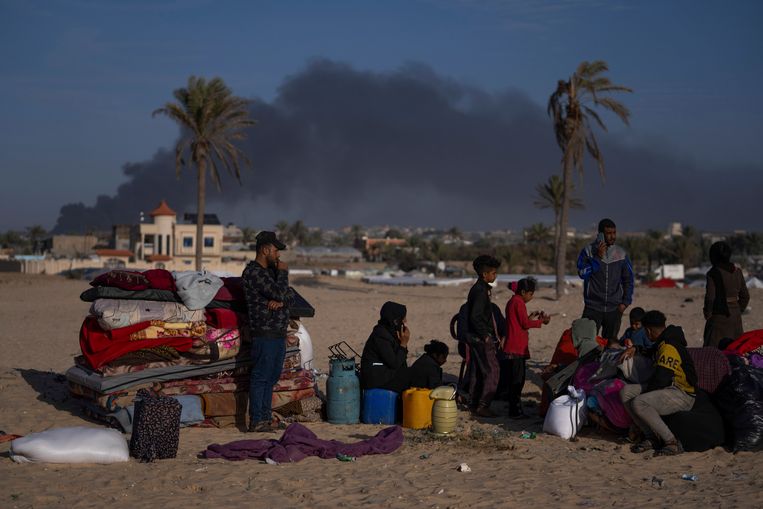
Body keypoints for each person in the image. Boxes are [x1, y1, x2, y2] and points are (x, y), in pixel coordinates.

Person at [619, 310, 697, 456]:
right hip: (668, 388)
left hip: (682, 394)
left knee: (638, 403)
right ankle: (651, 437)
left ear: (648, 331)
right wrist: (636, 348)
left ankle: (671, 442)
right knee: (626, 392)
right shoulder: (662, 342)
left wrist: (644, 396)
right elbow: (650, 351)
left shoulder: (668, 346)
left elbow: (662, 379)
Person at [242, 231, 294, 433]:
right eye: (275, 251)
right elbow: (281, 292)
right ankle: (257, 420)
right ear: (265, 250)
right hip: (264, 333)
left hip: (277, 333)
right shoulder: (254, 273)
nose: (278, 255)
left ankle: (265, 417)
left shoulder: (270, 274)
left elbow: (290, 296)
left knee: (271, 377)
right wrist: (283, 275)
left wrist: (281, 300)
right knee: (261, 377)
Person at [577, 218, 634, 340]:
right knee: (586, 342)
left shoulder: (621, 254)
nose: (613, 236)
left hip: (614, 309)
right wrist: (597, 258)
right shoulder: (588, 251)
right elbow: (582, 273)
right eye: (609, 233)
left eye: (614, 233)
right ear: (601, 235)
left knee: (610, 345)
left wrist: (625, 302)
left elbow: (628, 279)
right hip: (592, 307)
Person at [504, 277, 550, 418]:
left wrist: (531, 317)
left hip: (514, 345)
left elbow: (520, 322)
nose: (531, 297)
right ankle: (515, 411)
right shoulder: (518, 302)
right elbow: (524, 324)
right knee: (518, 381)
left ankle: (514, 408)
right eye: (530, 294)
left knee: (515, 379)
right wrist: (541, 321)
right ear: (523, 292)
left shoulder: (513, 301)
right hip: (516, 347)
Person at [465, 254, 502, 417]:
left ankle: (474, 403)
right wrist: (485, 335)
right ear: (484, 274)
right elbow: (476, 316)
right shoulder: (480, 291)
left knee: (478, 369)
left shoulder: (481, 288)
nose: (495, 276)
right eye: (493, 273)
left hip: (474, 337)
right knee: (493, 370)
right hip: (480, 338)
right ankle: (483, 404)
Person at [703, 241, 750, 347]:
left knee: (712, 353)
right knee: (734, 351)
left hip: (718, 318)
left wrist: (708, 314)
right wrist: (738, 310)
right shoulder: (737, 271)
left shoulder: (713, 273)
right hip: (736, 319)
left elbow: (710, 298)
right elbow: (745, 296)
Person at [360, 301, 411, 393]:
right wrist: (403, 344)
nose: (405, 321)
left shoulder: (389, 331)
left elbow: (401, 360)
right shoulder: (381, 336)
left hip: (383, 373)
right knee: (407, 381)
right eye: (403, 318)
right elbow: (394, 363)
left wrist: (402, 342)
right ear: (396, 320)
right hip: (375, 379)